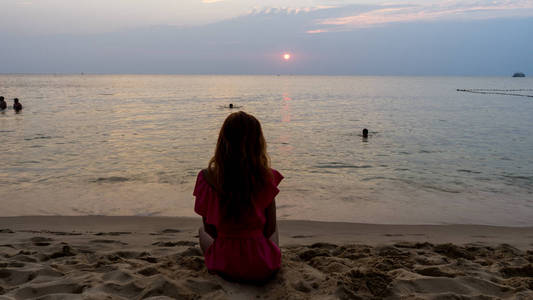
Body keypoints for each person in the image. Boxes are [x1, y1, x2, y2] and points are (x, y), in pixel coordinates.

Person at [193, 111, 283, 283]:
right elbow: (270, 229)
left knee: (201, 231)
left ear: (222, 141)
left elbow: (210, 230)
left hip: (225, 266)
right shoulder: (266, 178)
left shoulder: (207, 178)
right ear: (258, 143)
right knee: (274, 230)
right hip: (263, 267)